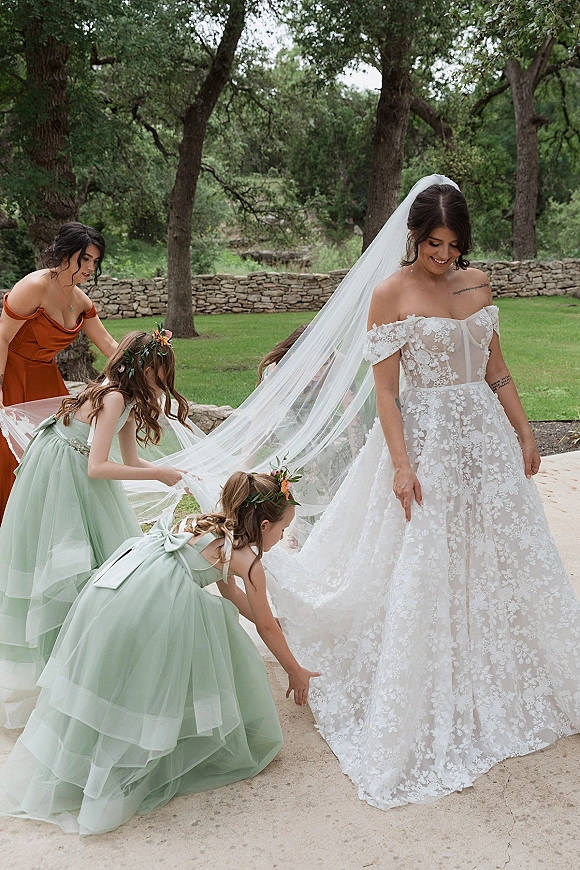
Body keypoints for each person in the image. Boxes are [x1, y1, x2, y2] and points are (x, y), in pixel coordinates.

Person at [263, 180, 580, 809]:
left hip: (484, 440)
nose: (442, 254)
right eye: (433, 243)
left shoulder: (477, 284)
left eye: (453, 244)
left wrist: (523, 430)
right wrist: (402, 467)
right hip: (425, 440)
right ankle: (426, 682)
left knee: (500, 553)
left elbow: (496, 369)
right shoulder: (391, 293)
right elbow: (386, 392)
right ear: (414, 237)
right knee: (426, 559)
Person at [0, 469, 319, 835]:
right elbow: (261, 626)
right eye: (282, 531)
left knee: (115, 680)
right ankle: (117, 770)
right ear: (264, 525)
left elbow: (234, 597)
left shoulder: (207, 525)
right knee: (150, 683)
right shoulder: (249, 561)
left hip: (119, 589)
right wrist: (294, 668)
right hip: (152, 608)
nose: (282, 537)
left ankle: (85, 759)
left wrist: (274, 620)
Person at [0, 327, 190, 729]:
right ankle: (64, 673)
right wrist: (159, 471)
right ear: (142, 367)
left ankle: (86, 664)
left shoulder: (126, 397)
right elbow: (97, 467)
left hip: (72, 466)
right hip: (61, 474)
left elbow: (130, 461)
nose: (163, 382)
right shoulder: (115, 395)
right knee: (72, 566)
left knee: (103, 561)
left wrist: (169, 473)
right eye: (159, 371)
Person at [0, 222, 118, 520]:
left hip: (46, 379)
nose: (91, 267)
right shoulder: (33, 286)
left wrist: (145, 363)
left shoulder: (80, 300)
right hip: (11, 372)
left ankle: (50, 520)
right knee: (11, 451)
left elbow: (107, 342)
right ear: (66, 254)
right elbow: (2, 335)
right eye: (85, 258)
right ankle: (15, 522)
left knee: (60, 447)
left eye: (95, 261)